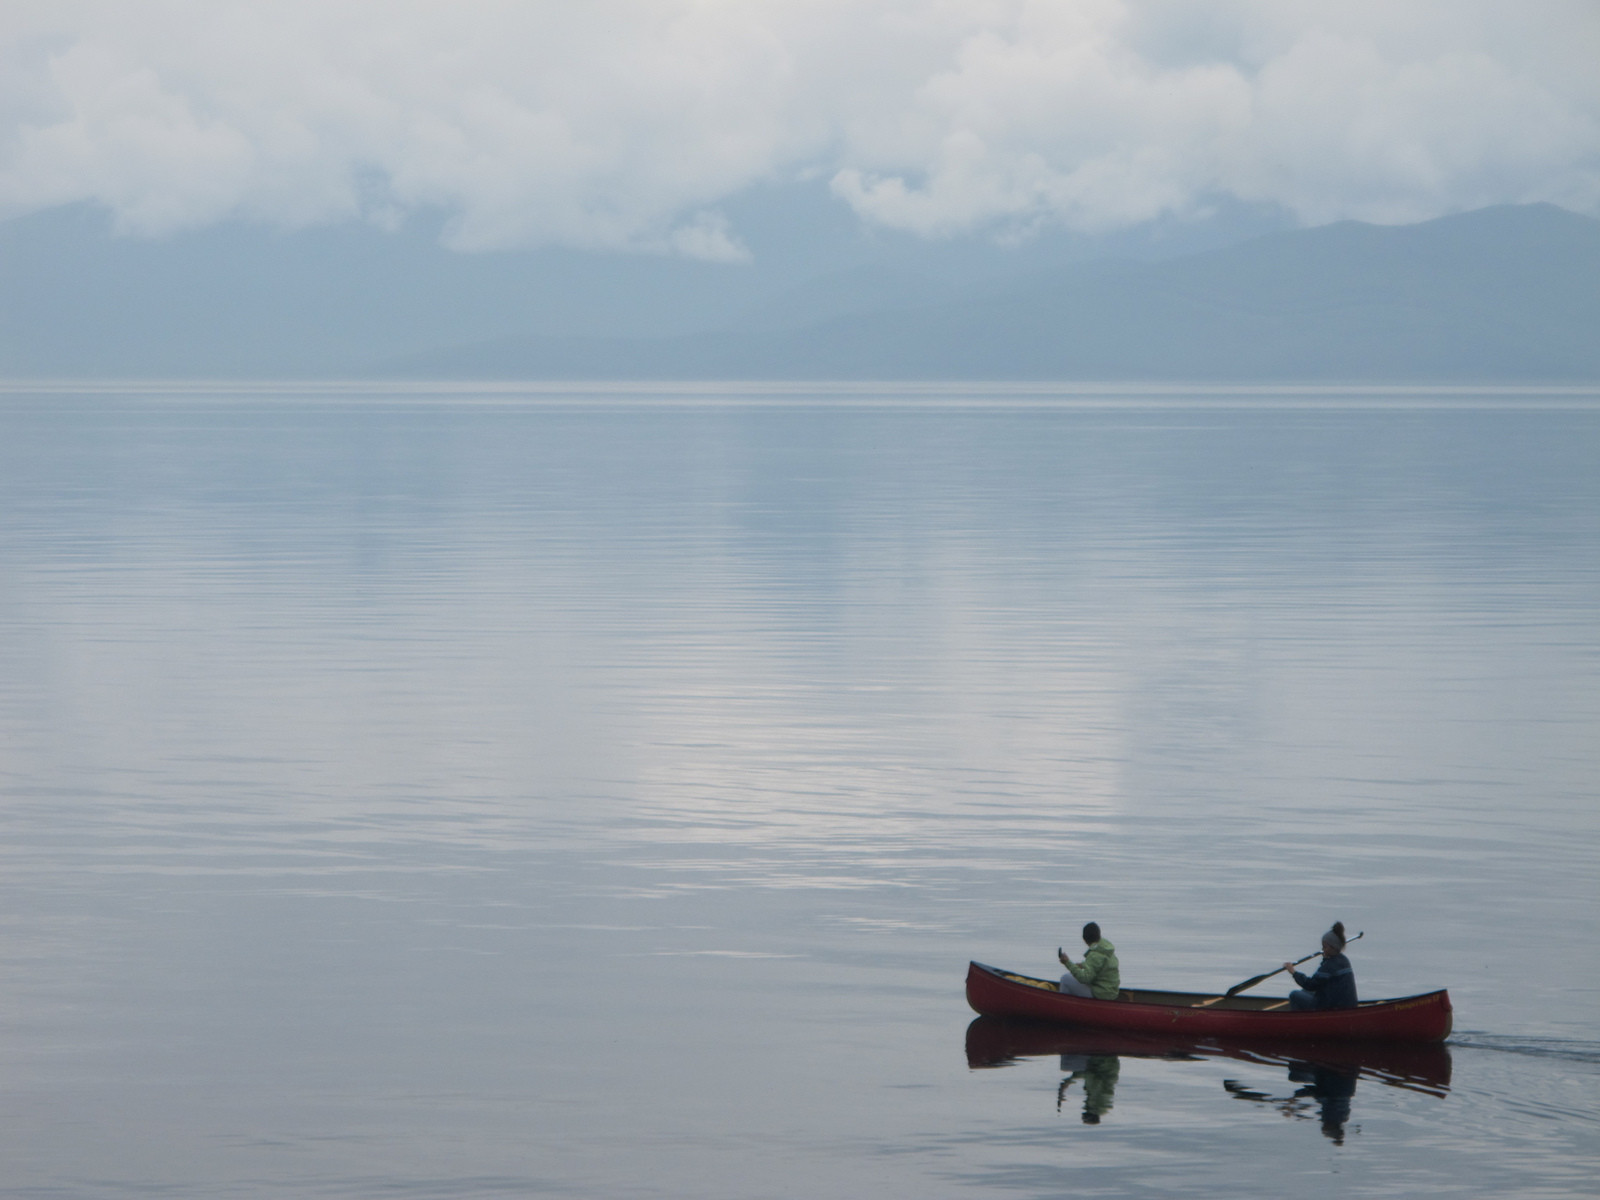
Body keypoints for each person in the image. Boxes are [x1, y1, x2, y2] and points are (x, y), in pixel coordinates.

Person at [1285, 921, 1358, 1011]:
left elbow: (1310, 984)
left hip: (1332, 1007)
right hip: (1344, 1004)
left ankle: (1300, 1021)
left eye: (1324, 947)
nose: (1322, 950)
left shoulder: (1330, 965)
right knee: (1305, 992)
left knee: (1294, 995)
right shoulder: (1343, 960)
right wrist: (1325, 960)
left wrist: (1293, 972)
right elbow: (1320, 981)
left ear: (1333, 947)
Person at [1058, 921, 1121, 1000]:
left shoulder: (1095, 955)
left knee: (1065, 979)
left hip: (1101, 994)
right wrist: (1083, 965)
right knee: (1071, 976)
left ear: (1085, 940)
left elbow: (1084, 978)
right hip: (1111, 992)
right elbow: (1099, 965)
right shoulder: (1105, 948)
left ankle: (1064, 1005)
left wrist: (1067, 963)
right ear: (1098, 934)